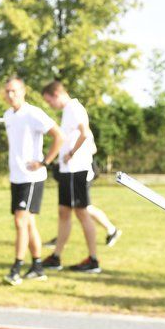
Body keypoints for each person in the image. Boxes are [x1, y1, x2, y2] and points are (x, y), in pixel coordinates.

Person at [1, 76, 63, 285]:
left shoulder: (33, 113)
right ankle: (37, 266)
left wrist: (44, 161)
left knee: (21, 221)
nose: (10, 95)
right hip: (16, 177)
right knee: (28, 224)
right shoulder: (8, 115)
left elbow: (59, 136)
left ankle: (16, 268)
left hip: (32, 178)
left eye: (14, 91)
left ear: (23, 91)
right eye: (7, 91)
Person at [40, 80, 104, 274]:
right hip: (68, 171)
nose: (49, 105)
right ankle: (56, 257)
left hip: (77, 169)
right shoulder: (68, 110)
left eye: (49, 100)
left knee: (82, 212)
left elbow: (84, 133)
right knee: (64, 211)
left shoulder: (75, 108)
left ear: (56, 94)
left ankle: (93, 260)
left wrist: (71, 153)